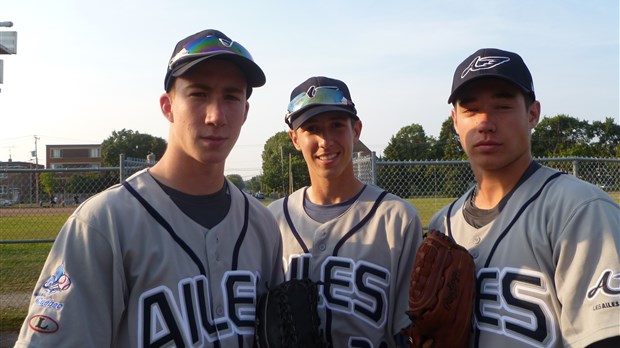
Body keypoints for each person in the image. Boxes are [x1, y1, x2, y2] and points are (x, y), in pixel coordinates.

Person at [15, 29, 284, 347]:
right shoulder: (103, 223)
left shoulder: (262, 224)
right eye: (198, 94)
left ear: (245, 112)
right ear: (168, 106)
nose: (216, 116)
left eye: (231, 96)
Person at [428, 48, 620, 348]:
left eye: (502, 106)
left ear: (533, 114)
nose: (485, 123)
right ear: (455, 121)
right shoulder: (443, 224)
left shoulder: (580, 210)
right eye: (471, 109)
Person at [268, 76, 423, 347]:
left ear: (356, 130)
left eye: (337, 126)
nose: (325, 141)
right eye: (312, 128)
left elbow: (410, 332)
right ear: (295, 138)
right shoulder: (271, 220)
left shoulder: (397, 219)